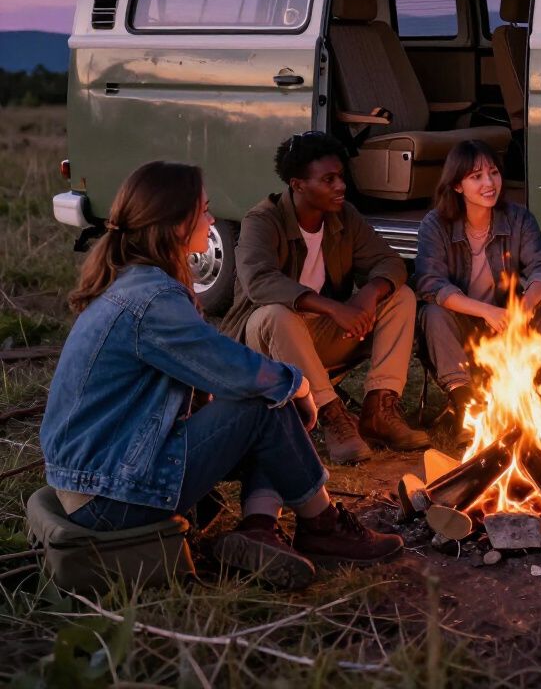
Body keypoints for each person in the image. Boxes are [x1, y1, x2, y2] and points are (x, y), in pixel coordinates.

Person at [40, 161, 403, 591]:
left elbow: (204, 380)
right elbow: (236, 371)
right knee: (267, 396)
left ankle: (259, 528)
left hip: (96, 483)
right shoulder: (152, 299)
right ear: (177, 225)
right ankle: (320, 524)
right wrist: (300, 384)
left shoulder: (134, 284)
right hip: (112, 497)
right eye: (205, 212)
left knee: (263, 397)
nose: (212, 220)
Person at [221, 132, 429, 464]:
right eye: (328, 179)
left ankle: (379, 408)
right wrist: (334, 308)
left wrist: (367, 297)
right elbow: (258, 281)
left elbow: (389, 262)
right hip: (265, 344)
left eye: (341, 177)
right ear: (298, 185)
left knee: (400, 296)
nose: (340, 186)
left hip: (322, 337)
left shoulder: (344, 216)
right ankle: (331, 415)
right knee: (277, 314)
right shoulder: (262, 220)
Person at [415, 140, 541, 442]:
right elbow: (431, 284)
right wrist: (486, 311)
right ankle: (466, 405)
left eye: (493, 173)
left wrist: (524, 306)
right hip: (465, 326)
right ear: (457, 185)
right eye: (476, 177)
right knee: (433, 313)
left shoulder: (518, 218)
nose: (489, 183)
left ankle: (535, 393)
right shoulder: (436, 224)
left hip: (510, 324)